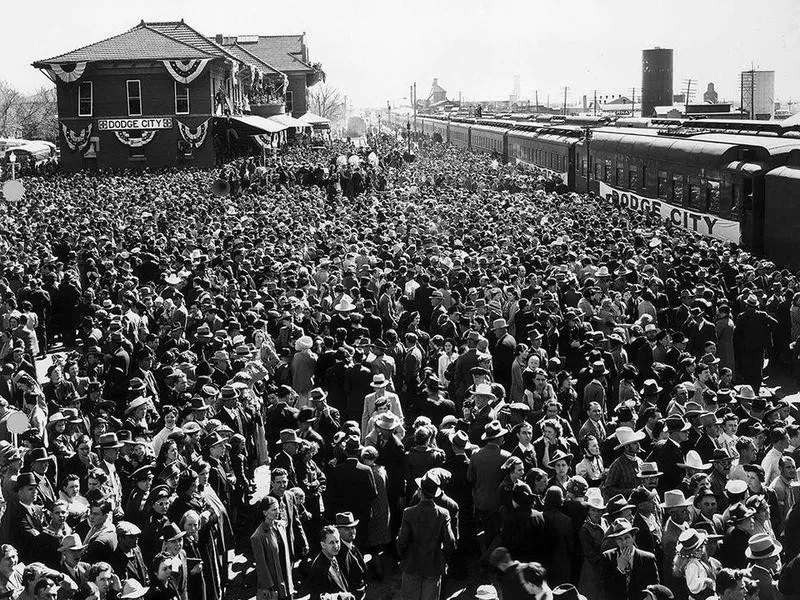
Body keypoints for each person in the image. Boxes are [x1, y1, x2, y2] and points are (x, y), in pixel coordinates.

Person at [396, 469, 455, 600]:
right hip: (433, 567)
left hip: (412, 565)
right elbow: (450, 542)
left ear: (420, 492)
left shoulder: (409, 513)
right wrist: (442, 558)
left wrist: (404, 556)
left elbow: (401, 541)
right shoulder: (443, 514)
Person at [600, 518, 659, 600]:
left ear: (633, 537)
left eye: (626, 537)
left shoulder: (648, 558)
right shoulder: (607, 557)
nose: (623, 542)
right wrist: (620, 569)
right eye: (619, 539)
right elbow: (606, 588)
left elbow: (654, 589)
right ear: (616, 541)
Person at [250, 496, 293, 600]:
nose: (277, 511)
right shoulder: (257, 536)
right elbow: (261, 566)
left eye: (278, 508)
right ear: (265, 513)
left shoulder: (280, 527)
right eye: (274, 509)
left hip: (287, 580)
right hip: (274, 585)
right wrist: (270, 587)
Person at [307, 526, 354, 600]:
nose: (336, 546)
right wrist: (339, 597)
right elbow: (316, 597)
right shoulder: (318, 568)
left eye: (337, 541)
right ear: (323, 545)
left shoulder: (333, 557)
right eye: (331, 543)